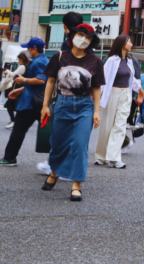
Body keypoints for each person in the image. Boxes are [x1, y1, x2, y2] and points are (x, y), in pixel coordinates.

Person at [40, 24, 104, 202]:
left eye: (89, 37)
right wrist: (45, 106)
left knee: (79, 144)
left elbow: (97, 88)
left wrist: (96, 111)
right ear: (73, 35)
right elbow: (51, 81)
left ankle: (76, 185)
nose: (84, 39)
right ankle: (54, 172)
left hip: (85, 106)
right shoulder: (60, 56)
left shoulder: (96, 61)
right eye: (81, 34)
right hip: (62, 104)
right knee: (58, 144)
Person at [35, 11, 87, 177]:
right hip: (84, 97)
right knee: (76, 136)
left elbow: (52, 78)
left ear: (65, 27)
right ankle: (67, 168)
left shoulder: (67, 46)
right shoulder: (88, 43)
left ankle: (56, 166)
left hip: (66, 95)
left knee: (60, 133)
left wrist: (45, 104)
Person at [0, 39, 49, 167]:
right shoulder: (44, 60)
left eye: (28, 48)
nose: (27, 51)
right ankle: (59, 161)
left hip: (30, 103)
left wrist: (23, 80)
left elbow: (41, 81)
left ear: (34, 49)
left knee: (18, 131)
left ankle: (9, 158)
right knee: (51, 132)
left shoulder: (38, 62)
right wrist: (21, 89)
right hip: (37, 101)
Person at [95, 35, 142, 169]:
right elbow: (103, 80)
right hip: (111, 94)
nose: (131, 44)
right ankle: (101, 155)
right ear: (122, 43)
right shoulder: (110, 60)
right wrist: (98, 100)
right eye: (129, 41)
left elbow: (133, 80)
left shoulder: (130, 61)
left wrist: (140, 92)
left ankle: (114, 158)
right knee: (106, 126)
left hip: (125, 94)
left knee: (120, 126)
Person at [0, 52, 29, 129]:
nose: (18, 61)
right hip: (21, 89)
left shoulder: (22, 67)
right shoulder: (28, 67)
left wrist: (7, 71)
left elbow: (13, 74)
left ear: (22, 59)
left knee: (11, 105)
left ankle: (14, 121)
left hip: (18, 89)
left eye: (19, 59)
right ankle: (15, 121)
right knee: (15, 105)